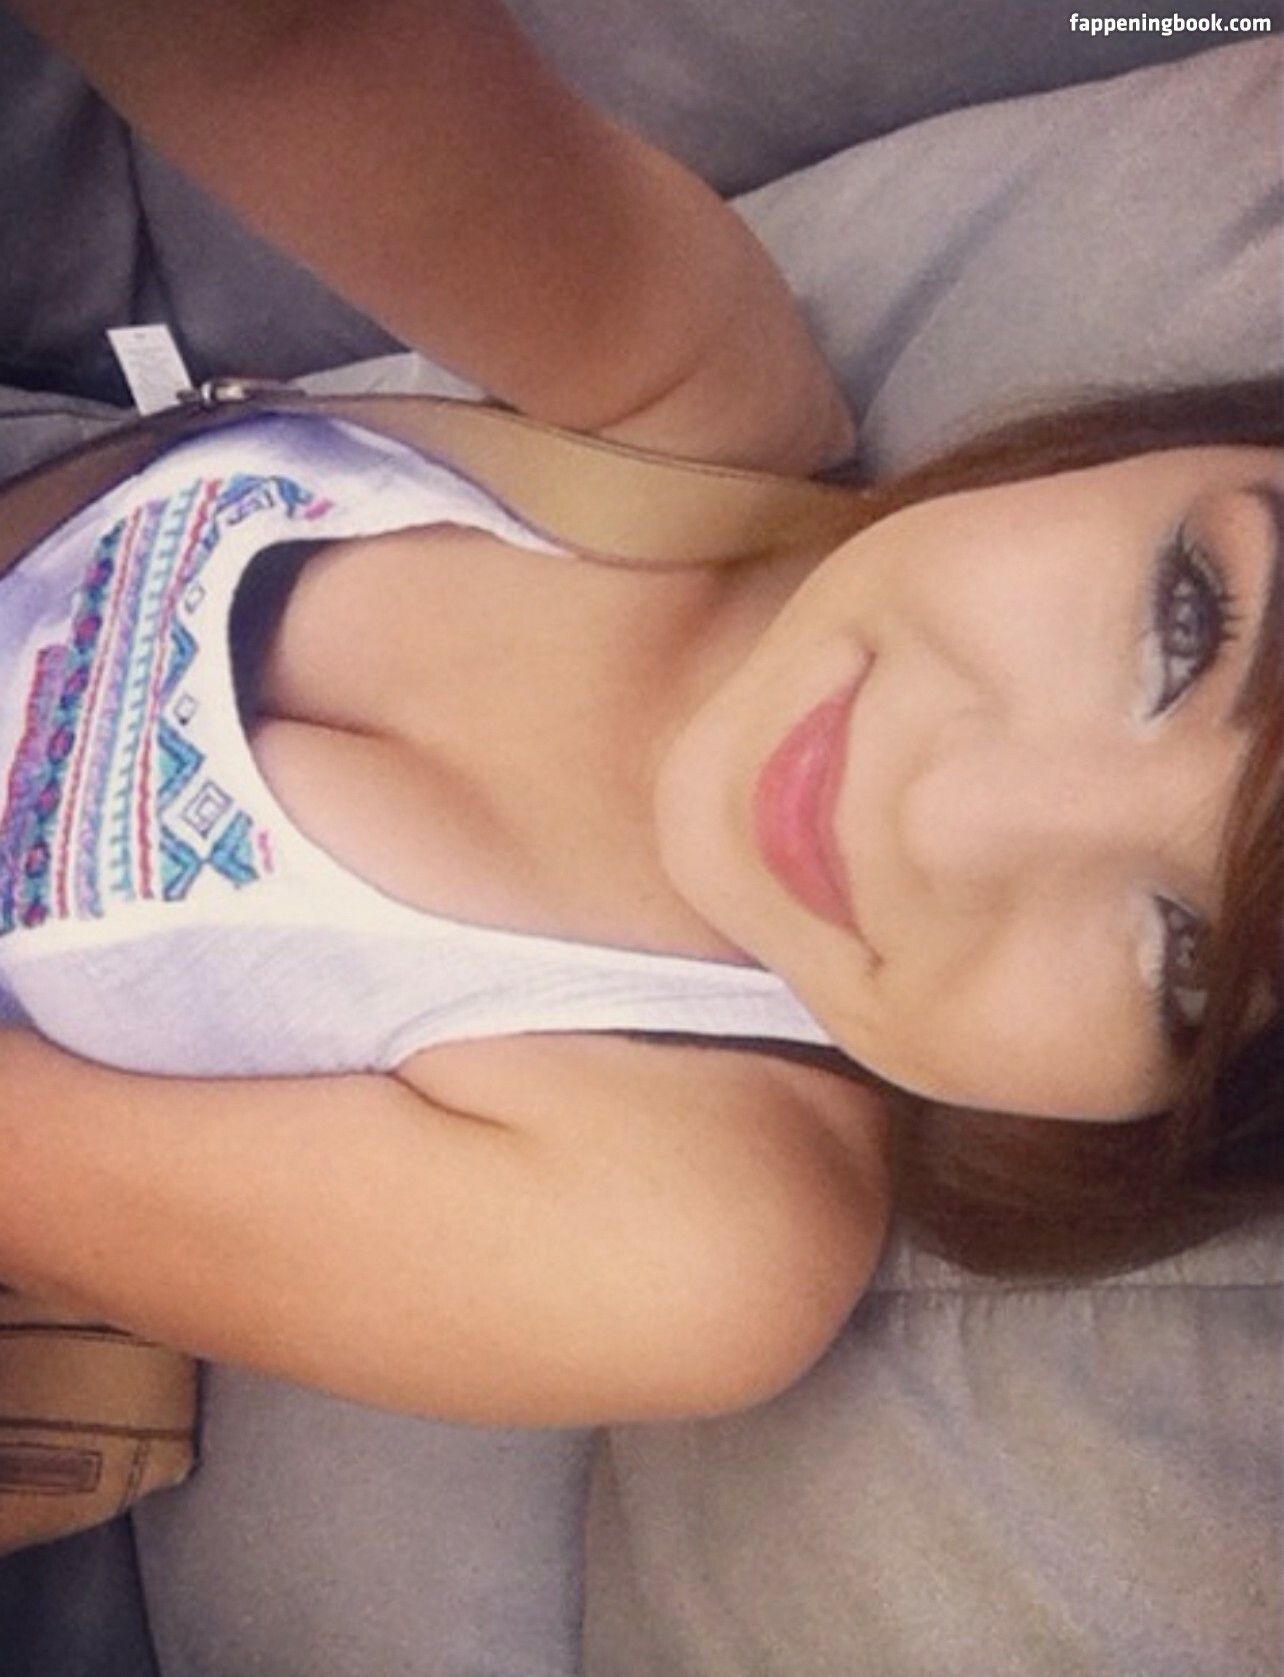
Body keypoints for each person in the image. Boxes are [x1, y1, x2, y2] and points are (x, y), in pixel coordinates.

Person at [1, 0, 1280, 1443]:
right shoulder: (696, 396)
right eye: (1188, 620)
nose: (936, 816)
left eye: (1189, 958)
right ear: (1145, 448)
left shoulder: (696, 1234)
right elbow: (279, 51)